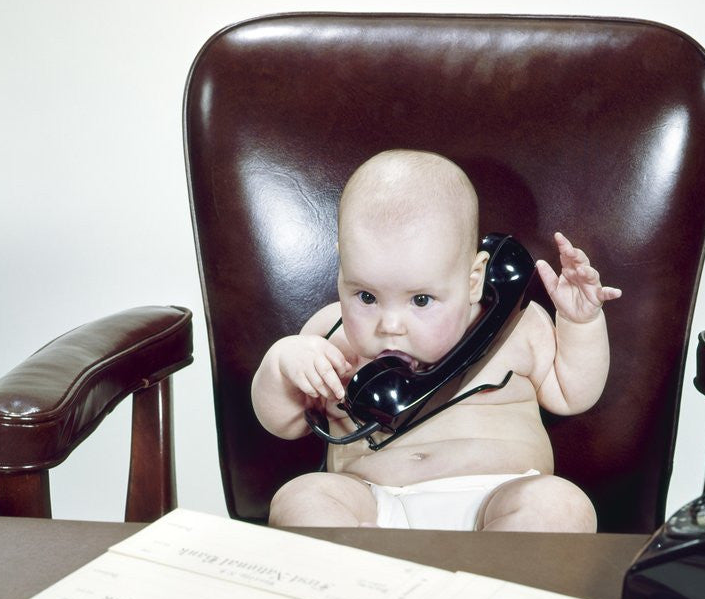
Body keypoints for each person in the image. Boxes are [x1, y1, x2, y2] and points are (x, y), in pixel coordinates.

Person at [251, 150, 621, 532]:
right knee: (301, 497)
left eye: (421, 300)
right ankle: (364, 582)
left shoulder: (519, 329)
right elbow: (284, 423)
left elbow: (573, 393)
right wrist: (282, 363)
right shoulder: (330, 336)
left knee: (560, 504)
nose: (390, 325)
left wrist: (580, 322)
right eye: (366, 296)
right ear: (342, 268)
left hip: (498, 501)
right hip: (373, 505)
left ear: (473, 279)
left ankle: (494, 587)